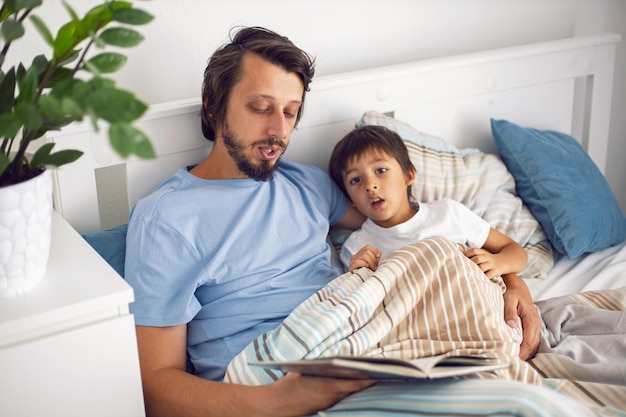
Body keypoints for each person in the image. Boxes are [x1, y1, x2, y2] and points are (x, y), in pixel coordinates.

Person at [124, 26, 540, 417]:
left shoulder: (306, 183)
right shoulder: (167, 219)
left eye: (290, 112)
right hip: (268, 380)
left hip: (358, 346)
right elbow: (155, 386)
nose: (278, 131)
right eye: (260, 107)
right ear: (213, 104)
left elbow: (407, 227)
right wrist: (280, 400)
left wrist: (510, 281)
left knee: (502, 387)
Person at [328, 124, 540, 354]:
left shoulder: (448, 213)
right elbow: (359, 310)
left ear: (409, 175)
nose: (370, 185)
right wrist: (357, 275)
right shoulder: (357, 246)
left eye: (380, 170)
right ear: (350, 199)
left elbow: (516, 251)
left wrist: (498, 264)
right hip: (419, 330)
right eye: (355, 180)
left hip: (471, 307)